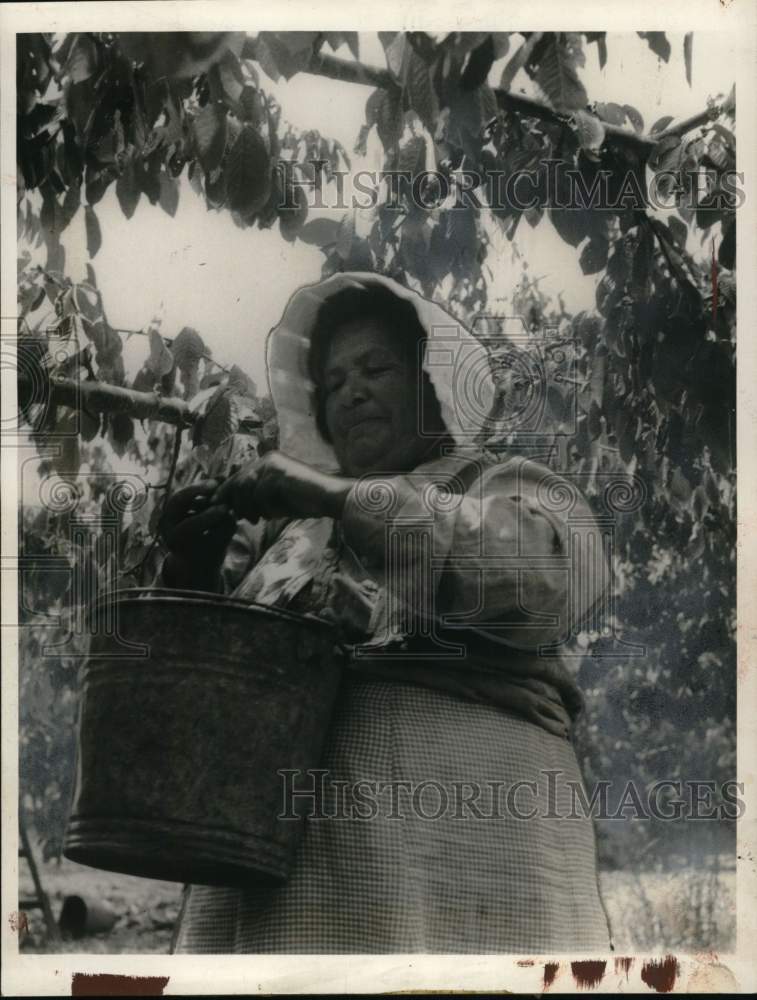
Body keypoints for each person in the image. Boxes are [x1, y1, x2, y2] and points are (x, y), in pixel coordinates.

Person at [160, 272, 613, 954]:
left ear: (433, 388)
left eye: (376, 368)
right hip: (281, 879)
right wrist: (190, 570)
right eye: (334, 382)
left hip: (459, 852)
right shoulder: (288, 540)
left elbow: (534, 583)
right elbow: (202, 701)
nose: (352, 391)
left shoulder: (500, 485)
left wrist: (340, 499)